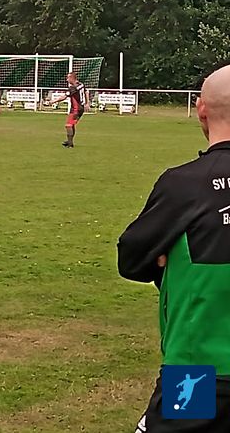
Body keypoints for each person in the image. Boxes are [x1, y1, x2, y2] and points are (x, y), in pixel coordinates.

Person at [118, 64, 230, 432]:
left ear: (201, 109)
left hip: (197, 369)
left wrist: (167, 258)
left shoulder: (183, 185)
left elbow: (131, 259)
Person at [47, 72, 89, 148]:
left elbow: (64, 97)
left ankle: (70, 144)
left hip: (76, 109)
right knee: (72, 125)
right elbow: (86, 92)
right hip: (80, 108)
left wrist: (53, 101)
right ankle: (70, 141)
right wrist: (87, 103)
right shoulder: (81, 84)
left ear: (72, 78)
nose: (67, 80)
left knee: (68, 125)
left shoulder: (73, 88)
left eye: (68, 78)